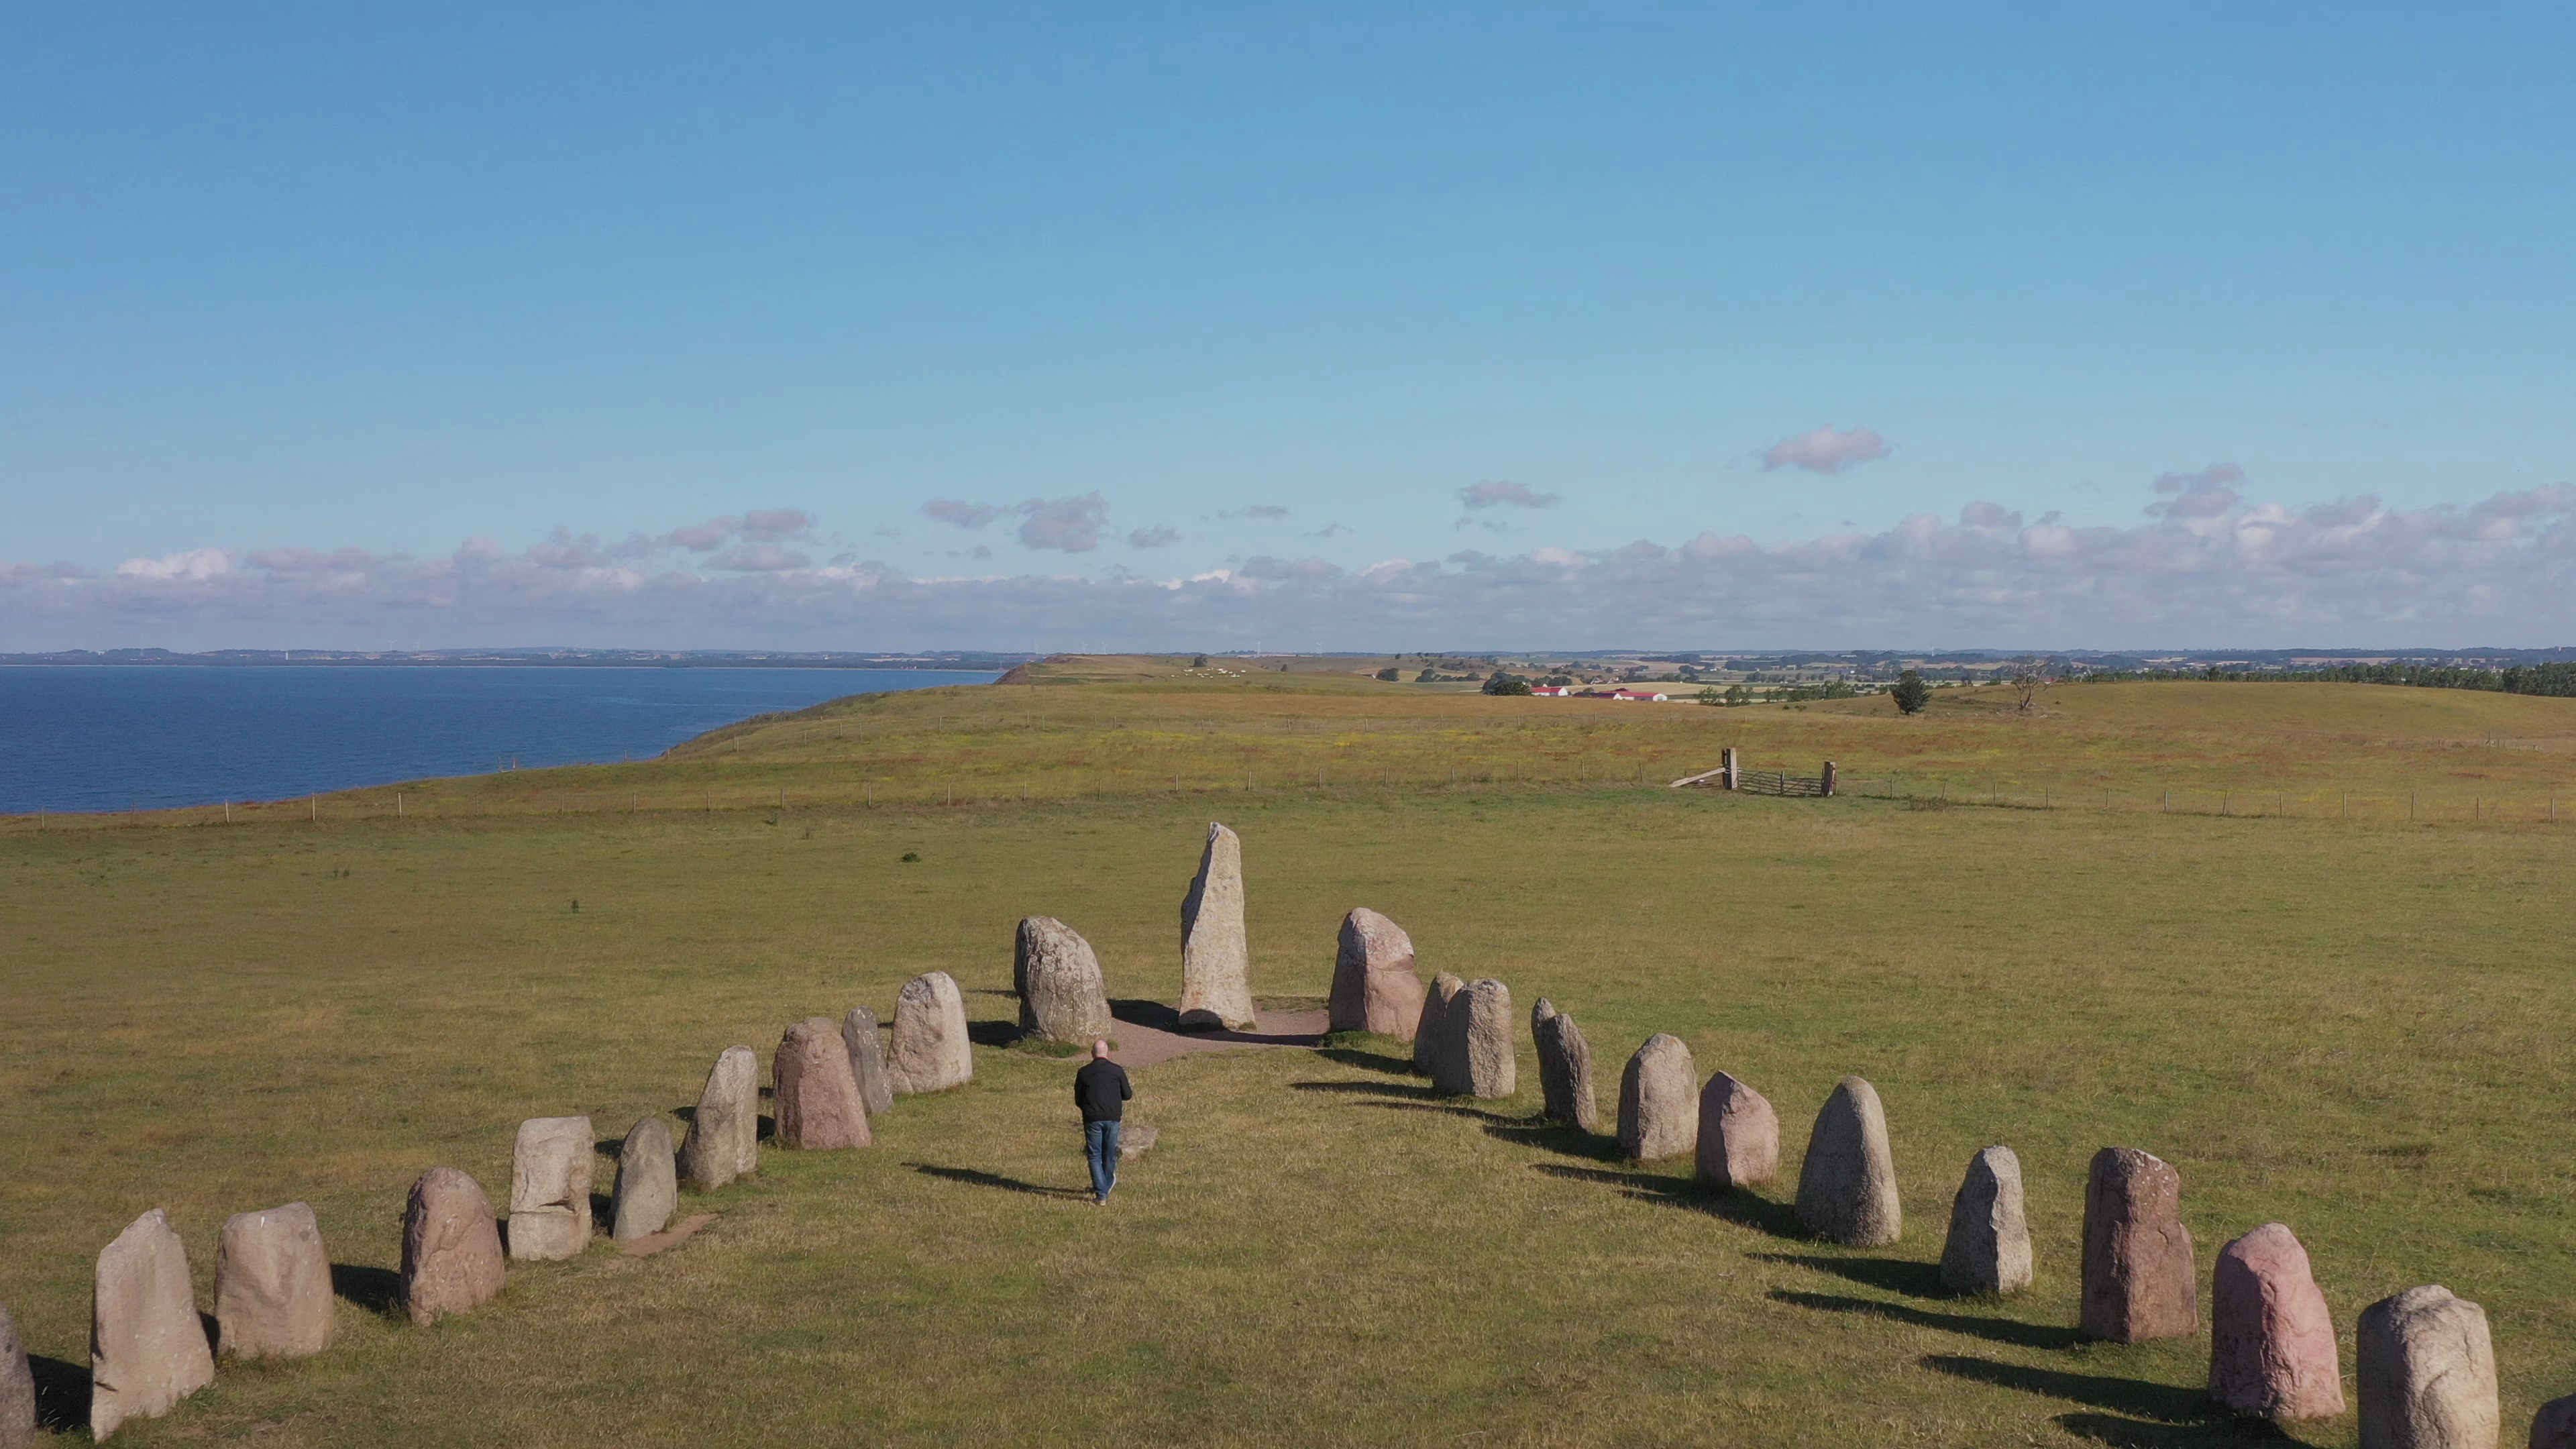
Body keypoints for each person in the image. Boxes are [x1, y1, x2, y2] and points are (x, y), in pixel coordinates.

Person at [1073, 1038, 1132, 1205]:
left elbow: (1078, 1099)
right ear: (1109, 1054)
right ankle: (1105, 1187)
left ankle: (1101, 1193)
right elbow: (1128, 1095)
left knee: (1094, 1155)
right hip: (1113, 1118)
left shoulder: (1083, 1073)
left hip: (1092, 1118)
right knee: (1109, 1153)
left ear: (1092, 1054)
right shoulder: (1117, 1071)